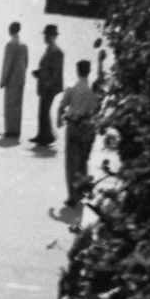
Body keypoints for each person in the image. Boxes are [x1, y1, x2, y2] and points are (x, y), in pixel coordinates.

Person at [57, 59, 100, 205]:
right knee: (83, 161)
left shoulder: (72, 88)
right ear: (89, 71)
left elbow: (62, 106)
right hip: (88, 128)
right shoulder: (91, 90)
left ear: (77, 71)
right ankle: (82, 190)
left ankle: (72, 195)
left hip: (74, 126)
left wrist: (59, 119)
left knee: (71, 163)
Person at [29, 24, 65, 145]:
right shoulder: (50, 49)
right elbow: (47, 68)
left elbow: (56, 72)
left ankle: (47, 136)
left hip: (50, 87)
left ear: (51, 36)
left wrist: (48, 83)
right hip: (45, 84)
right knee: (43, 110)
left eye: (46, 35)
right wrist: (39, 73)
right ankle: (43, 134)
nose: (44, 37)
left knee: (44, 110)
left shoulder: (56, 51)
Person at [0, 21, 30, 138]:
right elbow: (26, 62)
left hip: (11, 80)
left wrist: (3, 80)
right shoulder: (24, 45)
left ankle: (9, 130)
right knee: (18, 106)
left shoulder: (10, 45)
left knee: (9, 107)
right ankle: (17, 130)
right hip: (21, 79)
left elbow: (7, 64)